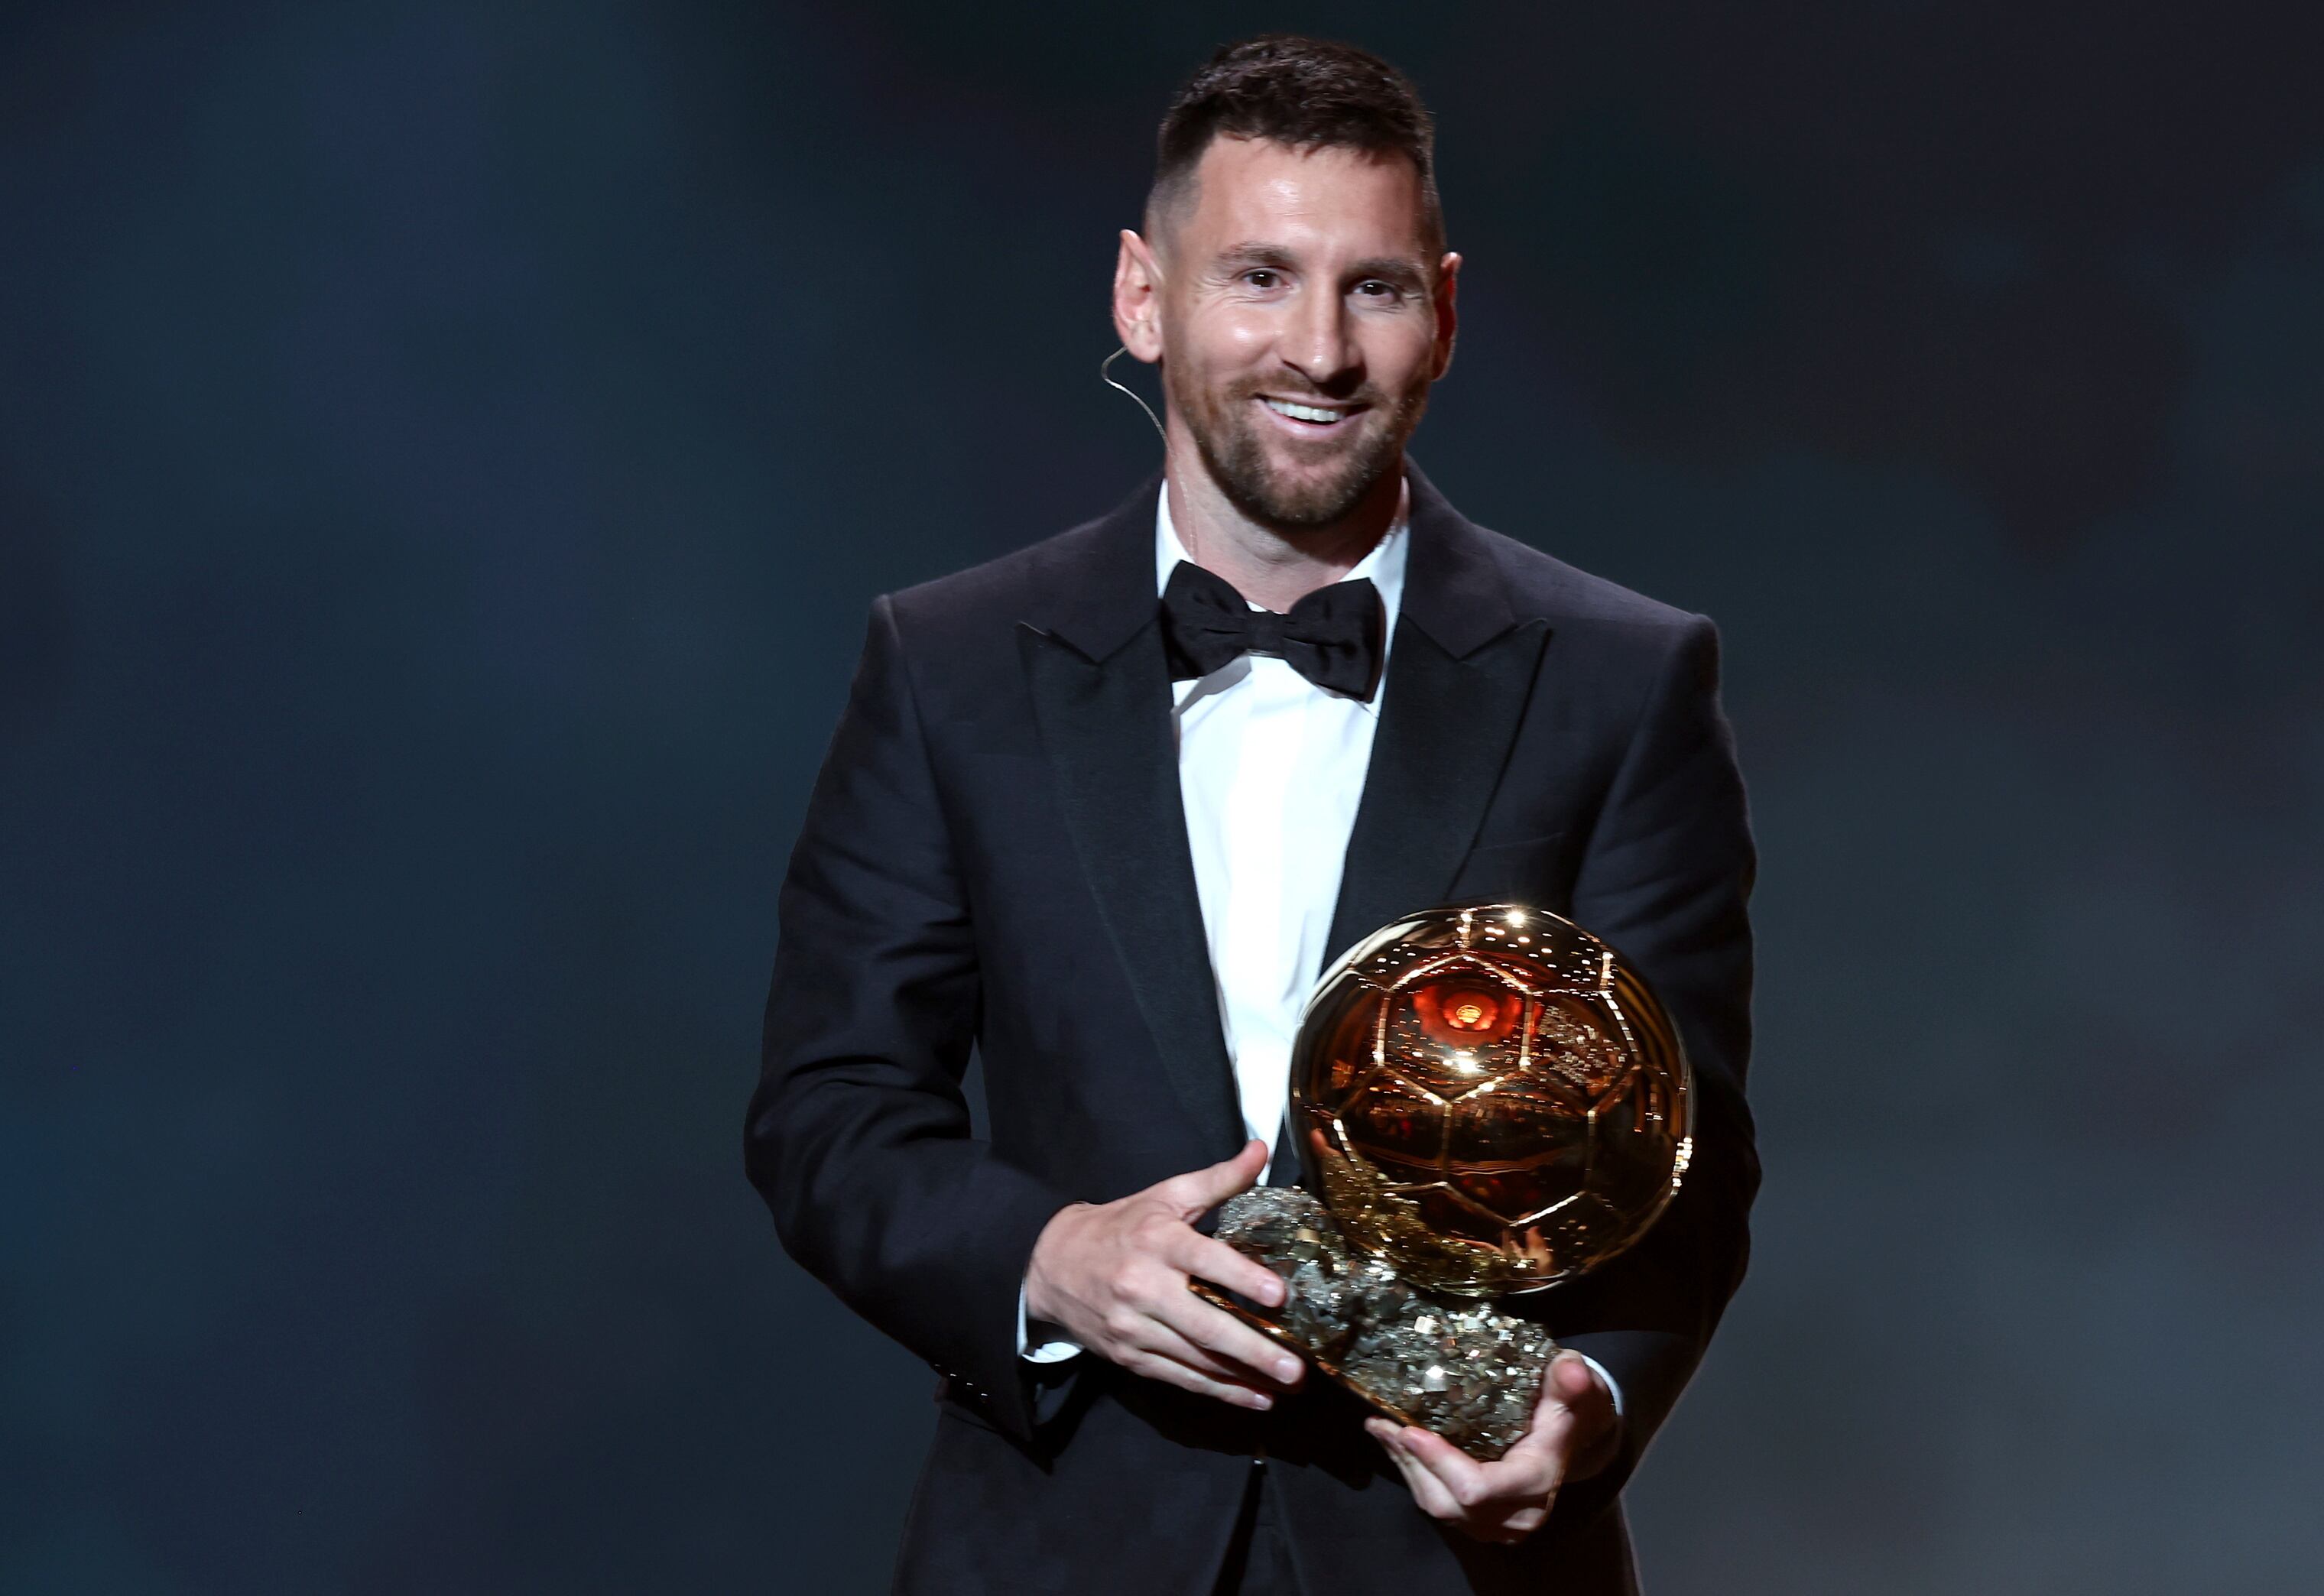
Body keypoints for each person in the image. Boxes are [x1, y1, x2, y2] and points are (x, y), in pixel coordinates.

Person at [745, 34, 1758, 1596]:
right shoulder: (945, 667)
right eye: (1259, 278)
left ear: (1445, 314)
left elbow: (1685, 1160)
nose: (1319, 351)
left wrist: (1588, 1412)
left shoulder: (1624, 680)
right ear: (1142, 299)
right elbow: (829, 1114)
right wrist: (1048, 1261)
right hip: (1056, 1546)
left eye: (1374, 287)